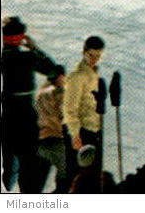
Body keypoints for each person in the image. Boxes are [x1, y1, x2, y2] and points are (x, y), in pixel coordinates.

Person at [1, 16, 61, 192]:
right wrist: (35, 48)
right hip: (26, 116)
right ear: (21, 37)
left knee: (9, 161)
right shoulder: (28, 58)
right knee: (32, 160)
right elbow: (53, 72)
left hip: (5, 115)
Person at [63, 36, 105, 184]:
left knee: (92, 177)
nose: (94, 59)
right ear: (84, 53)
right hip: (82, 133)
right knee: (77, 177)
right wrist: (75, 134)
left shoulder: (94, 75)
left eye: (98, 56)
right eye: (91, 55)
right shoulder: (77, 77)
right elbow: (69, 109)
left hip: (95, 131)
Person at [34, 66, 70, 193]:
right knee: (64, 181)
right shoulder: (60, 92)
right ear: (61, 77)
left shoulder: (41, 92)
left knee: (37, 181)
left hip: (41, 140)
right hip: (57, 140)